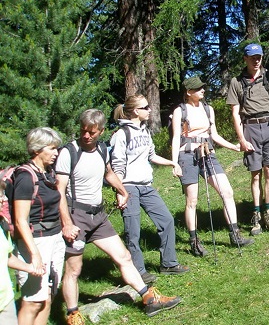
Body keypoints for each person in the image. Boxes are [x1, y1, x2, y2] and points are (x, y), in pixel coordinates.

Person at [56, 109, 181, 324]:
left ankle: (149, 297)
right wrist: (66, 223)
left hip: (99, 216)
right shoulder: (69, 152)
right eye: (83, 131)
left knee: (123, 257)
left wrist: (123, 191)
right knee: (74, 269)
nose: (86, 136)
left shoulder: (103, 149)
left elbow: (109, 173)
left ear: (101, 131)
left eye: (92, 133)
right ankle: (73, 314)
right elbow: (59, 190)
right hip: (77, 216)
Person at [110, 95, 189, 285]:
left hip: (146, 186)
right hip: (129, 187)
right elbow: (117, 166)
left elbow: (152, 156)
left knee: (167, 220)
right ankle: (138, 272)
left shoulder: (145, 132)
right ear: (136, 111)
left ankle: (168, 263)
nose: (150, 110)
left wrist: (172, 162)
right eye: (146, 107)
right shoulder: (121, 135)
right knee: (133, 231)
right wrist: (120, 192)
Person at [171, 77, 254, 256]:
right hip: (187, 156)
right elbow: (176, 138)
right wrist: (174, 163)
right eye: (198, 88)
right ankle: (194, 242)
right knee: (192, 200)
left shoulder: (208, 109)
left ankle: (235, 234)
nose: (202, 90)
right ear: (188, 92)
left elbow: (213, 135)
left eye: (203, 87)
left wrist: (233, 146)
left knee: (227, 192)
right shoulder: (180, 111)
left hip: (208, 153)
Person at [226, 43, 269, 236]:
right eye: (252, 57)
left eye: (259, 56)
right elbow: (235, 113)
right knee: (255, 174)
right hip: (250, 128)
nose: (256, 60)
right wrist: (241, 138)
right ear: (245, 58)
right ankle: (256, 215)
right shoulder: (237, 82)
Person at [12, 127, 66, 325]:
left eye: (56, 148)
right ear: (36, 149)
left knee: (47, 296)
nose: (56, 153)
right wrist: (34, 255)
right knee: (33, 301)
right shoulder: (25, 178)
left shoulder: (47, 173)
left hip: (54, 237)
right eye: (51, 148)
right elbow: (20, 220)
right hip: (35, 241)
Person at [1, 185, 41, 325]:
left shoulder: (2, 225)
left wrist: (30, 268)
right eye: (0, 196)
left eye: (3, 195)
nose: (3, 200)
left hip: (5, 300)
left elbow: (6, 256)